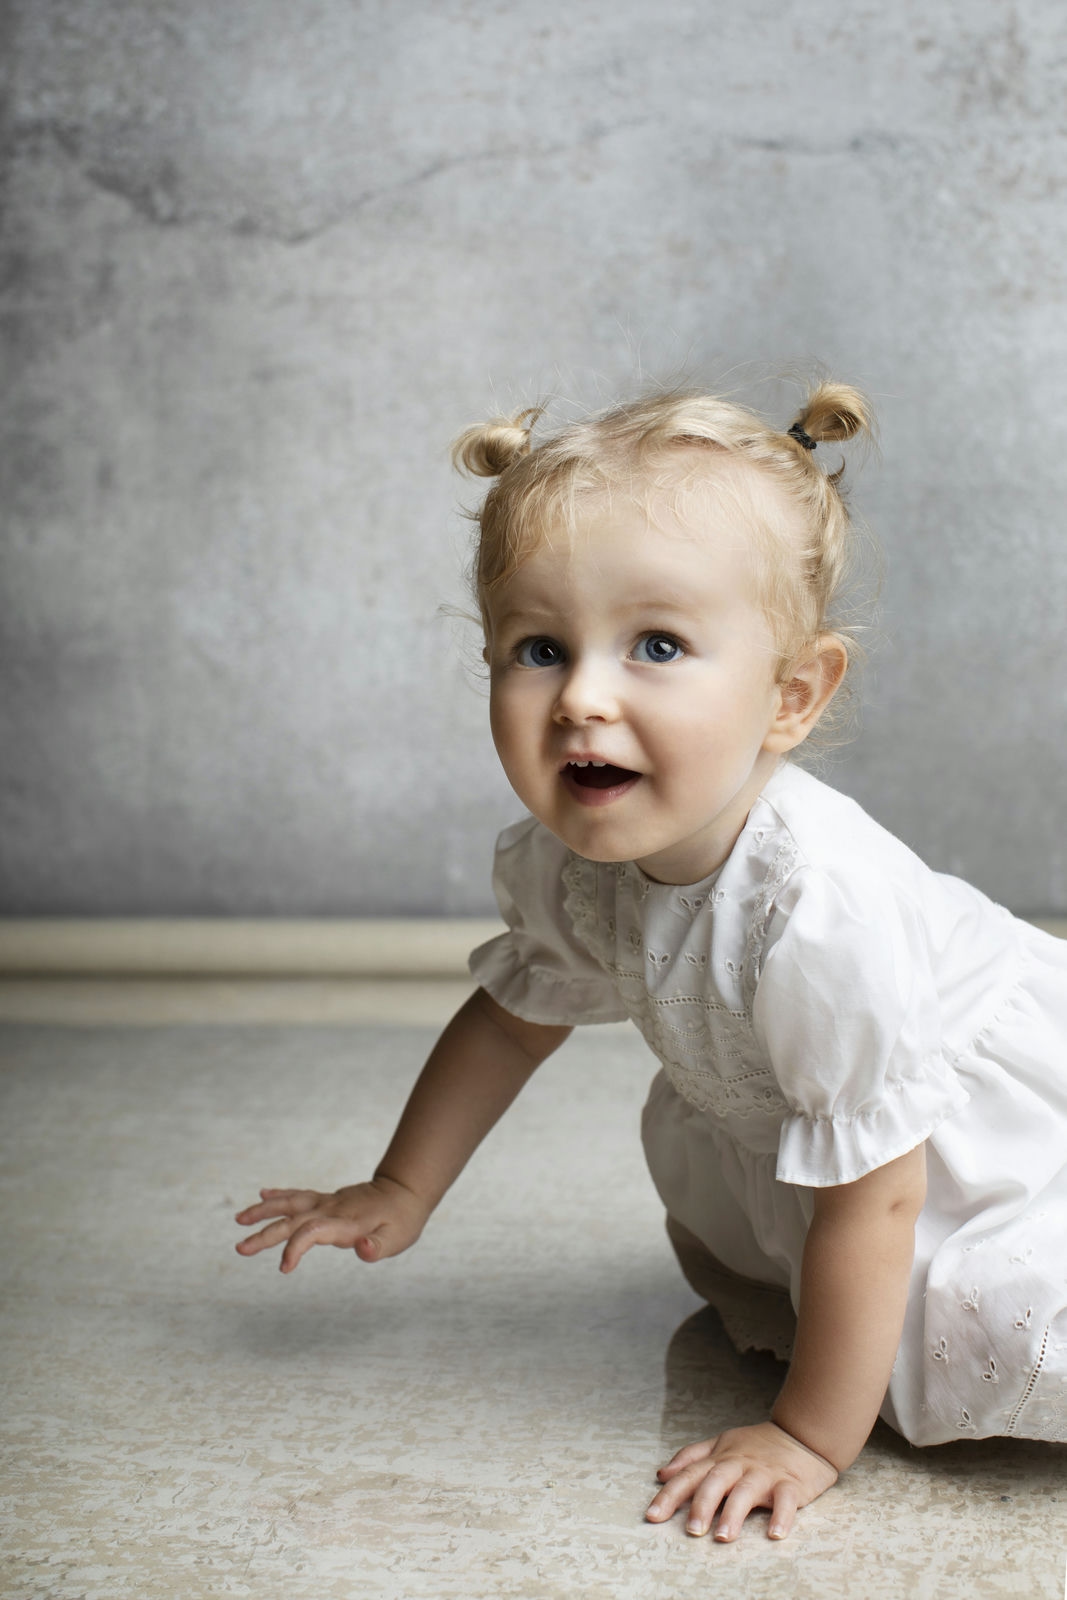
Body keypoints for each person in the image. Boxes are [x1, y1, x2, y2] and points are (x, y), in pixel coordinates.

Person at [235, 381, 1067, 1542]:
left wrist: (807, 1434)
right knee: (800, 1226)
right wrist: (402, 1184)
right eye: (536, 648)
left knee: (986, 1307)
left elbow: (878, 1193)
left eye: (657, 646)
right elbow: (510, 1020)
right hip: (820, 1148)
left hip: (966, 1143)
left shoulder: (819, 911)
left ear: (790, 694)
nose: (580, 696)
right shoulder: (567, 865)